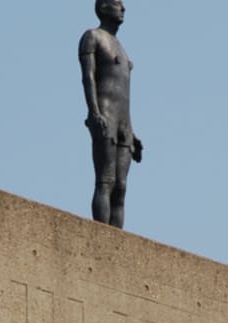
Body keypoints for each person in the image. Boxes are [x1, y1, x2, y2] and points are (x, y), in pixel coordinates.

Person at [79, 0, 143, 229]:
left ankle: (118, 243)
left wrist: (132, 131)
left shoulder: (122, 49)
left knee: (121, 187)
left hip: (124, 122)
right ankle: (102, 237)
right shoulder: (92, 37)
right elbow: (88, 78)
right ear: (103, 7)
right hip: (105, 114)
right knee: (106, 180)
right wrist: (94, 112)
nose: (123, 8)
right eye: (117, 4)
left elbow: (124, 95)